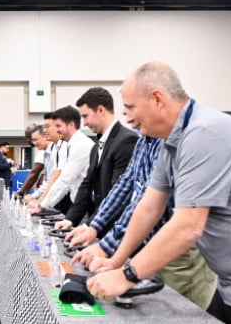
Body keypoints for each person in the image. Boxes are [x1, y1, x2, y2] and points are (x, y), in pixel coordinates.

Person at [86, 61, 231, 324]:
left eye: (131, 106)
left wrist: (127, 275)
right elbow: (149, 206)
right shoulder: (172, 141)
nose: (127, 116)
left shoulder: (204, 133)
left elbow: (188, 227)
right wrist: (116, 260)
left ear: (157, 98)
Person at [66, 112, 216, 310]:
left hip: (180, 252)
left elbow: (146, 205)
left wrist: (107, 248)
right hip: (153, 244)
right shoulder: (144, 141)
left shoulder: (174, 143)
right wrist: (95, 228)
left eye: (131, 107)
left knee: (179, 319)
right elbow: (126, 184)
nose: (126, 117)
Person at [53, 87, 139, 235]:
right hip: (100, 224)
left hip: (117, 227)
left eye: (86, 116)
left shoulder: (126, 140)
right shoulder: (96, 147)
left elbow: (118, 193)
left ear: (100, 110)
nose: (84, 123)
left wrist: (89, 226)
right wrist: (69, 220)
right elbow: (86, 186)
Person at [27, 105, 92, 215]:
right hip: (75, 203)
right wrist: (40, 202)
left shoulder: (80, 145)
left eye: (58, 126)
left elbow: (63, 180)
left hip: (82, 204)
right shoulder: (65, 146)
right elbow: (54, 178)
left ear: (71, 125)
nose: (44, 131)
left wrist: (41, 205)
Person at [15, 123, 46, 199]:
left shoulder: (43, 149)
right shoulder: (43, 149)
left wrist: (21, 192)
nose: (28, 140)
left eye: (29, 137)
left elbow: (35, 172)